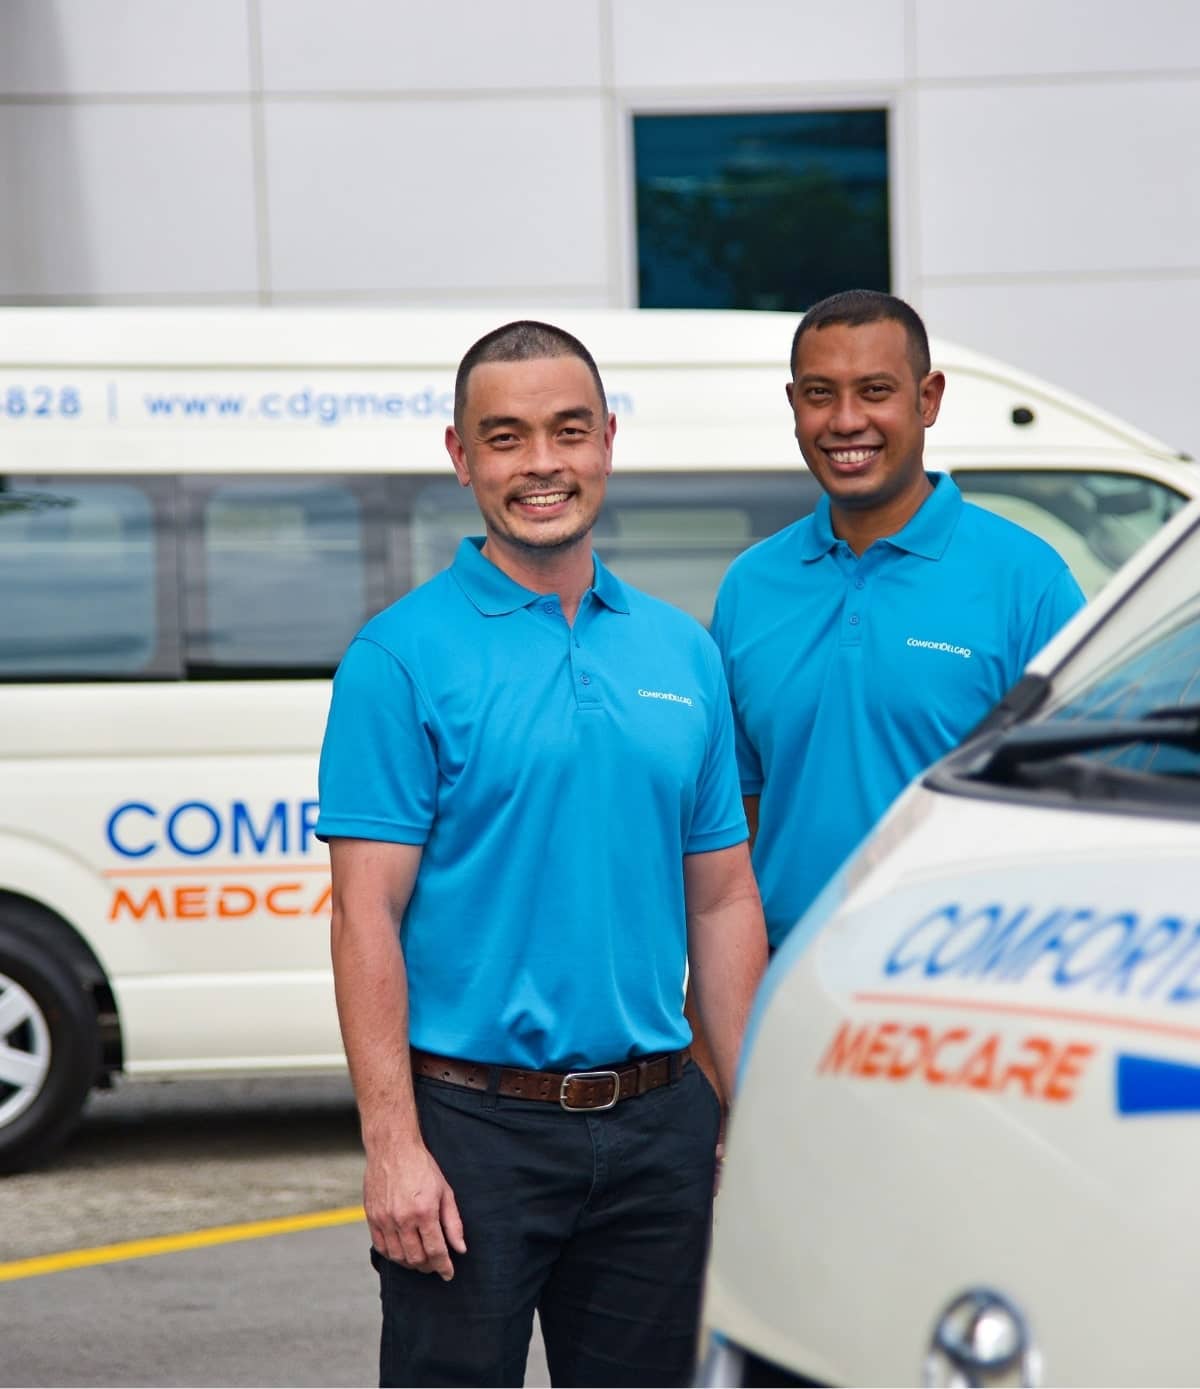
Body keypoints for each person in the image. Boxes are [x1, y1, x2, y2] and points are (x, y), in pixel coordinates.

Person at [316, 319, 767, 1388]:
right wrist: (393, 1145)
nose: (542, 464)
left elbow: (721, 900)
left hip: (658, 1127)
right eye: (506, 437)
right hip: (471, 1132)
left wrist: (748, 1108)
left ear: (607, 439)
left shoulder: (682, 652)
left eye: (568, 430)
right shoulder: (398, 658)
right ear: (461, 455)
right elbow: (364, 914)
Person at [711, 290, 1086, 950]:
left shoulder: (1027, 581)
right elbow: (737, 820)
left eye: (875, 391)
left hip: (954, 983)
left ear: (928, 398)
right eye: (820, 394)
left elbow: (1079, 812)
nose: (846, 420)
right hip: (790, 984)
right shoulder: (750, 587)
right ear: (794, 404)